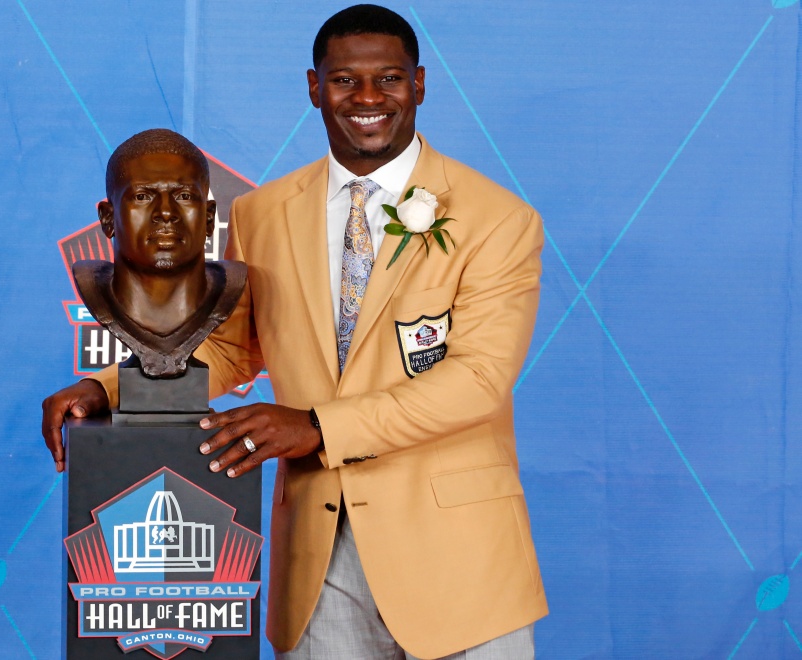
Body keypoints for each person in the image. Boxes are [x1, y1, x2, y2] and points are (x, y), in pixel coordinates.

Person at [43, 5, 547, 658]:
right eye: (344, 80)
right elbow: (234, 350)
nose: (368, 98)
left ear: (419, 84)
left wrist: (316, 426)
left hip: (459, 564)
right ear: (314, 87)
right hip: (316, 560)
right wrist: (107, 388)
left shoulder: (496, 218)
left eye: (389, 78)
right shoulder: (264, 213)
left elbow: (478, 380)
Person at [70, 128, 247, 379]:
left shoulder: (231, 287)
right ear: (108, 219)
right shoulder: (94, 287)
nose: (165, 212)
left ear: (209, 218)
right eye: (142, 196)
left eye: (184, 196)